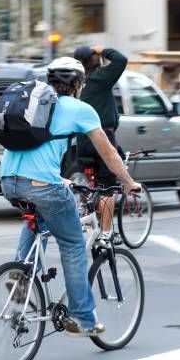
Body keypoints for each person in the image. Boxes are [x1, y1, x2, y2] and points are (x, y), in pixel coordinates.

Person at [0, 57, 141, 337]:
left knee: (38, 219)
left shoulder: (34, 103)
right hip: (41, 185)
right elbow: (109, 152)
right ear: (78, 84)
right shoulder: (80, 108)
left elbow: (36, 150)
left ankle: (20, 280)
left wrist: (60, 178)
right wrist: (127, 181)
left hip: (8, 181)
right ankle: (83, 319)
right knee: (74, 244)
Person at [73, 45, 128, 243]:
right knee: (107, 187)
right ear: (93, 59)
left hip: (82, 142)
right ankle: (106, 233)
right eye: (95, 55)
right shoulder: (100, 78)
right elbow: (121, 60)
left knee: (90, 186)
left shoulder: (78, 83)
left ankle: (88, 220)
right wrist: (103, 49)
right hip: (102, 138)